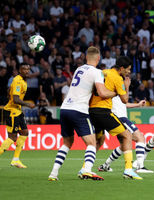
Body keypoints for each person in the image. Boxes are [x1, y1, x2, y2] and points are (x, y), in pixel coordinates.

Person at [48, 47, 116, 181]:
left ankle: (53, 173)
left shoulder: (78, 69)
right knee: (92, 143)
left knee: (67, 142)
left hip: (65, 108)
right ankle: (87, 170)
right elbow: (102, 93)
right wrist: (116, 93)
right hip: (79, 110)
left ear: (86, 58)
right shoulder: (97, 72)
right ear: (98, 59)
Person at [86, 56, 142, 180]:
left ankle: (86, 169)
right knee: (127, 135)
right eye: (128, 69)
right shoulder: (117, 78)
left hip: (91, 110)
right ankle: (128, 170)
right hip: (103, 111)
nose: (129, 72)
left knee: (98, 141)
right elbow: (125, 100)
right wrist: (126, 86)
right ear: (121, 68)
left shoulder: (103, 72)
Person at [0, 63, 35, 169]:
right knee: (12, 138)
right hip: (12, 111)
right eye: (24, 69)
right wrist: (28, 104)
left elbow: (10, 92)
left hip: (17, 111)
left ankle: (16, 159)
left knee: (24, 133)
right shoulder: (18, 81)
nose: (27, 71)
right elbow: (16, 99)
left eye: (28, 69)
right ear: (19, 70)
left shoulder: (22, 80)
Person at [98, 93, 153, 173]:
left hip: (117, 118)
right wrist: (126, 85)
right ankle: (140, 166)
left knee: (124, 145)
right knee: (140, 138)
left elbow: (124, 103)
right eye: (128, 79)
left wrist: (138, 104)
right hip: (120, 118)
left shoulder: (117, 90)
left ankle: (105, 165)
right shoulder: (114, 87)